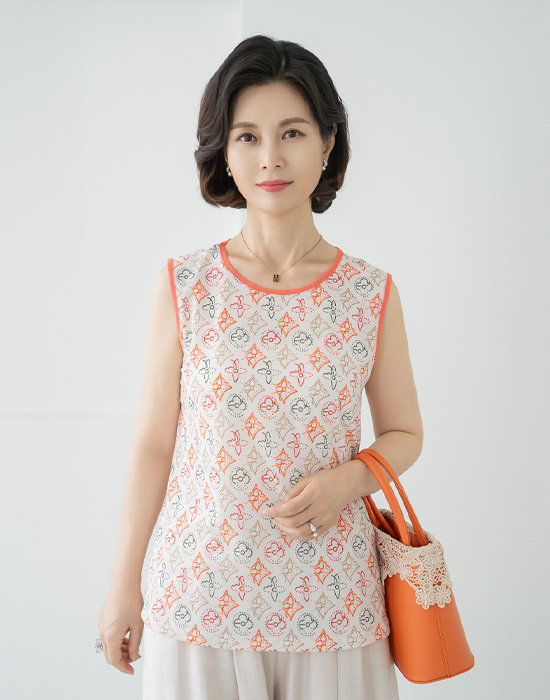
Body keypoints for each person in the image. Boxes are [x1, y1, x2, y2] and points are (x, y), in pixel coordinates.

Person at [97, 34, 423, 700]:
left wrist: (346, 483)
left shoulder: (370, 292)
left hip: (333, 602)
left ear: (328, 142)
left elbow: (405, 434)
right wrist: (122, 585)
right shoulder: (186, 285)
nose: (270, 157)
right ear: (224, 150)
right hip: (200, 600)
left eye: (292, 133)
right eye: (247, 137)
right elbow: (154, 443)